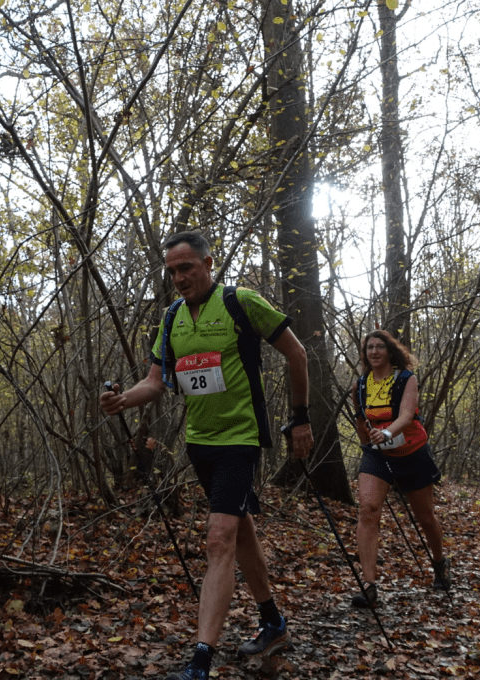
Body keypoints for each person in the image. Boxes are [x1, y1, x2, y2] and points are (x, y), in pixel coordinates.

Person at [100, 231, 313, 680]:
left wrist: (300, 418)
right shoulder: (171, 317)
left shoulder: (240, 302)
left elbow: (297, 353)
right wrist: (123, 401)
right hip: (200, 442)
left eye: (186, 268)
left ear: (207, 263)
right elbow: (155, 381)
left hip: (240, 437)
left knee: (218, 539)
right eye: (172, 271)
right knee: (240, 531)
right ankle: (273, 621)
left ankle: (200, 661)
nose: (179, 278)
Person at [350, 330, 450, 609]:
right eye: (369, 347)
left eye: (380, 346)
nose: (374, 352)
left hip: (411, 452)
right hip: (377, 454)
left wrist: (387, 433)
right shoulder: (360, 385)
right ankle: (369, 585)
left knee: (425, 517)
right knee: (368, 509)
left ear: (390, 351)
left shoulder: (406, 379)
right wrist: (367, 443)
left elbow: (407, 415)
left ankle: (440, 563)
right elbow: (360, 419)